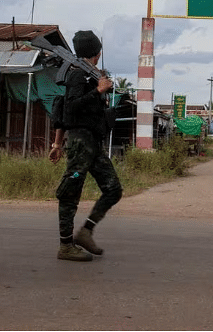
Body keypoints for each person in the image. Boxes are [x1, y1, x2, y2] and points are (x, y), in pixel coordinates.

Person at [50, 30, 123, 262]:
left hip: (93, 142)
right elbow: (69, 108)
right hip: (80, 142)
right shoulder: (77, 76)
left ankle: (85, 232)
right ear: (98, 53)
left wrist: (57, 143)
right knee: (70, 192)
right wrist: (98, 91)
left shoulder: (91, 76)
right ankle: (65, 245)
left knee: (113, 189)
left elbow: (66, 109)